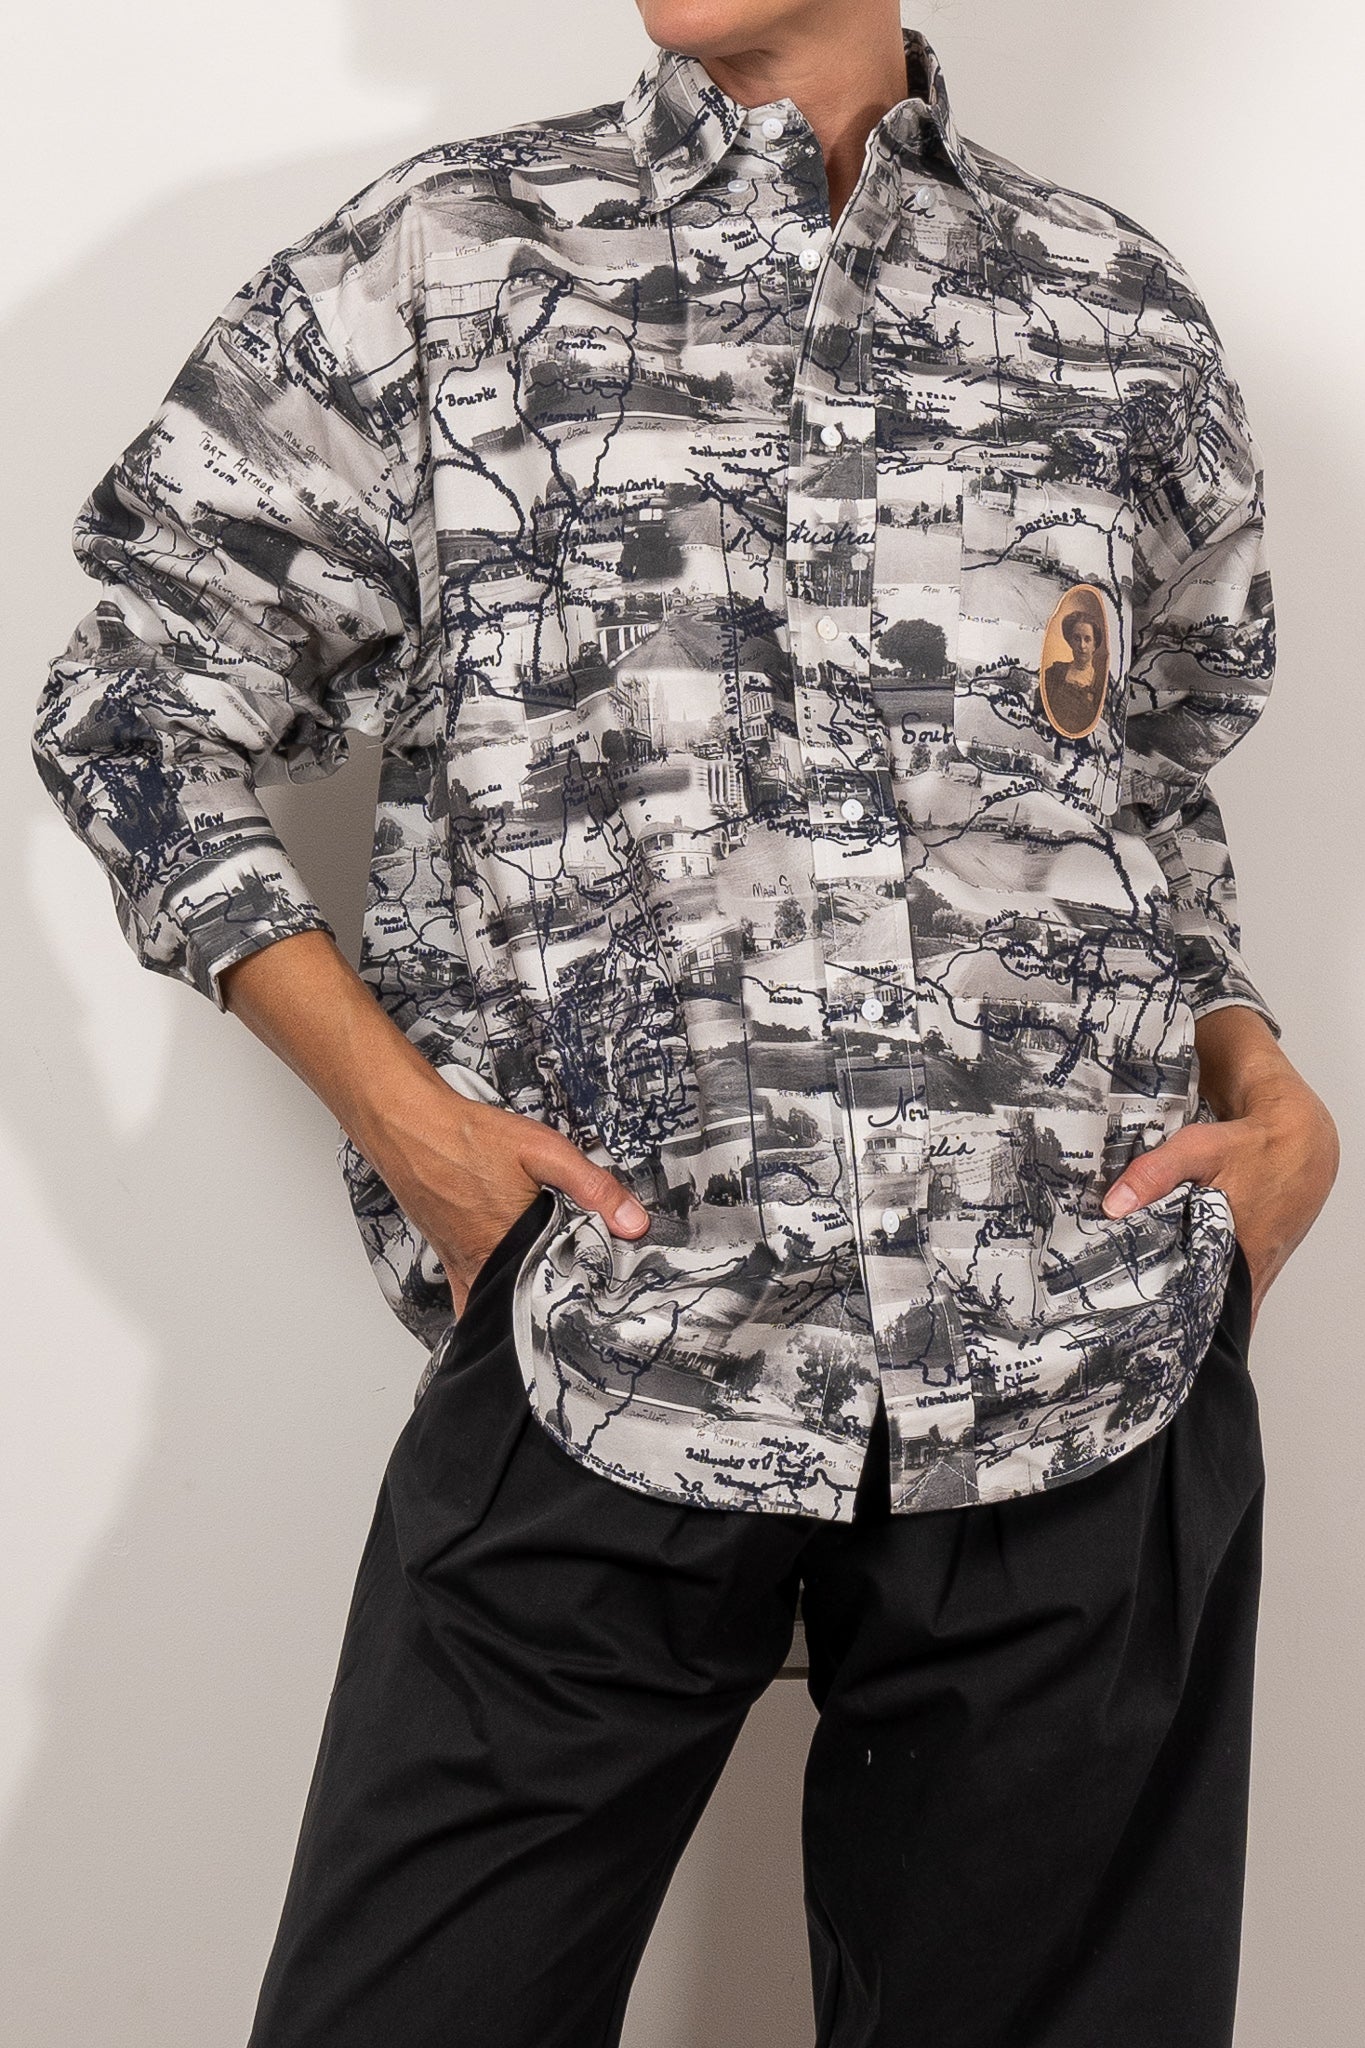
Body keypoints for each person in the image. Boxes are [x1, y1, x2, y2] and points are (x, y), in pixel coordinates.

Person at [31, 3, 1339, 2043]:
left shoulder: (1115, 312)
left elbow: (1143, 789)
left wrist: (1257, 1082)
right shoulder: (440, 263)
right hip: (599, 1340)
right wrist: (407, 1125)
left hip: (1078, 1364)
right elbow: (131, 706)